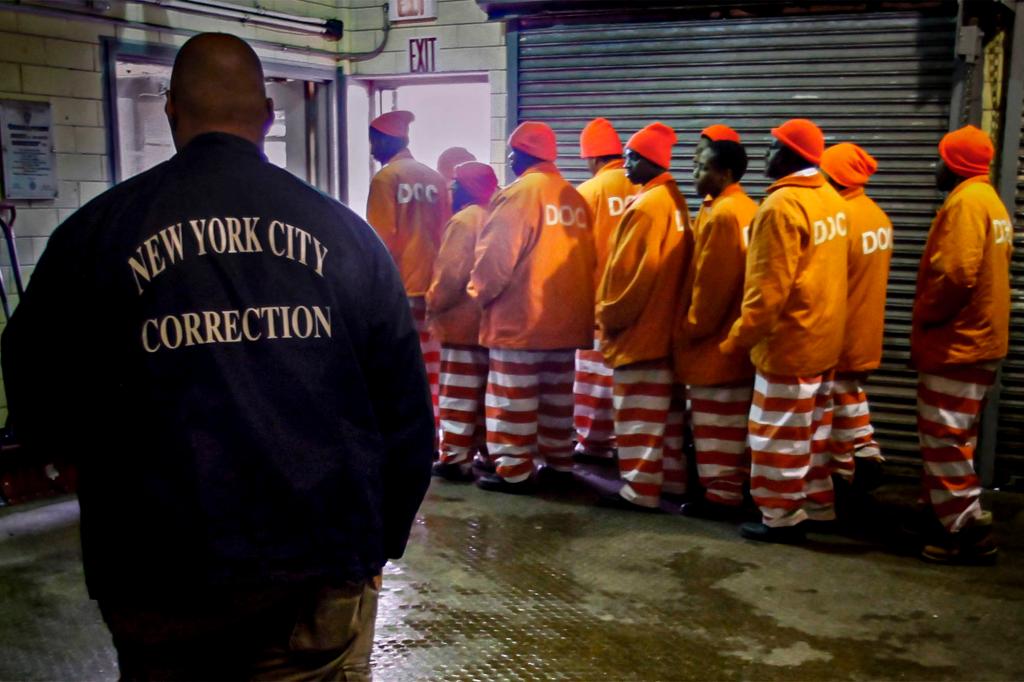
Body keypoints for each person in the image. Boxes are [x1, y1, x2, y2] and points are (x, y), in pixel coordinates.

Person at [0, 33, 435, 679]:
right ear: (266, 113)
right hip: (314, 571)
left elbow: (38, 399)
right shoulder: (346, 237)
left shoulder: (94, 235)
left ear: (171, 110)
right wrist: (373, 544)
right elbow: (406, 419)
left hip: (158, 572)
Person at [720, 118, 848, 543]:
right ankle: (818, 507)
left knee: (776, 436)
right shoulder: (831, 199)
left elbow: (766, 292)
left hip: (789, 343)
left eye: (772, 147)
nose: (765, 155)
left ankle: (780, 517)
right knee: (812, 435)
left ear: (792, 154)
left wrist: (738, 338)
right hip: (825, 339)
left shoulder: (781, 207)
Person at [469, 121, 597, 493]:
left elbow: (495, 258)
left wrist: (479, 294)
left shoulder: (519, 195)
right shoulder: (574, 197)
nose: (509, 159)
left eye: (512, 153)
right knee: (557, 400)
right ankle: (559, 462)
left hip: (520, 319)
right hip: (567, 321)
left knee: (513, 398)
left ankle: (514, 470)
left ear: (521, 154)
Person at [912, 125, 1011, 564]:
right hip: (979, 340)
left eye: (939, 158)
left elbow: (955, 274)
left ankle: (963, 529)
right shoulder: (990, 201)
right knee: (957, 437)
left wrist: (929, 315)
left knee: (944, 437)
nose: (934, 166)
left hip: (957, 342)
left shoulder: (968, 203)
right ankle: (953, 515)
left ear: (953, 164)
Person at [596, 122, 692, 511]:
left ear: (651, 161)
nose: (626, 164)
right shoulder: (673, 200)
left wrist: (609, 317)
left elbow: (630, 277)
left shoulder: (648, 207)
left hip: (641, 331)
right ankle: (669, 484)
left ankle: (639, 491)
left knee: (636, 417)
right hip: (664, 329)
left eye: (633, 157)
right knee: (663, 419)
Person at [675, 139, 758, 519]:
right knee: (730, 425)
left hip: (714, 343)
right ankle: (730, 489)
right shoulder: (744, 208)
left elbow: (710, 284)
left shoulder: (724, 214)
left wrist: (690, 328)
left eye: (702, 167)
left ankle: (722, 497)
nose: (694, 174)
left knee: (715, 424)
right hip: (734, 342)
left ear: (724, 173)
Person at [366, 109, 451, 431]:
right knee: (434, 367)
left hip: (400, 288)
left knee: (404, 367)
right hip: (435, 286)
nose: (372, 150)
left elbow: (380, 239)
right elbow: (446, 230)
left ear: (388, 140)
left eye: (374, 142)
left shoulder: (386, 178)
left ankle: (414, 432)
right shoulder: (434, 177)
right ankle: (437, 429)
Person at [819, 143, 892, 492]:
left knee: (833, 406)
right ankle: (865, 453)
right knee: (849, 396)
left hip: (841, 330)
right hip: (866, 330)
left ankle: (849, 472)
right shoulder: (876, 216)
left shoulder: (839, 219)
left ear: (834, 177)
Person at [427, 161, 499, 481]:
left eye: (456, 183)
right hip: (490, 321)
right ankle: (485, 451)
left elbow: (450, 275)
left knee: (457, 392)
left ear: (469, 187)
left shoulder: (463, 221)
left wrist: (433, 304)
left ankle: (454, 457)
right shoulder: (498, 216)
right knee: (483, 393)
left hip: (459, 321)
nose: (451, 189)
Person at [573, 118, 639, 461]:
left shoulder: (588, 192)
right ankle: (622, 441)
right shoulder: (644, 187)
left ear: (593, 159)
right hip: (638, 305)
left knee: (594, 382)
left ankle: (594, 441)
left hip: (598, 303)